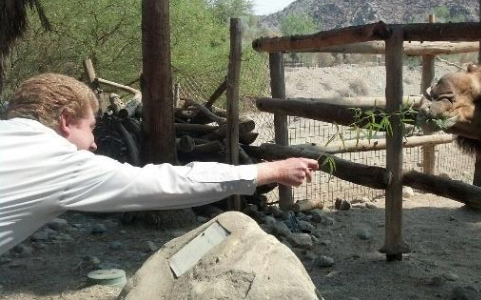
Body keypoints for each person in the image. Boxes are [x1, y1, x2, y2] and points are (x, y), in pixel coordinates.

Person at [0, 73, 319, 256]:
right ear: (66, 120)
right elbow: (166, 184)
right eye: (91, 127)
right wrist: (271, 171)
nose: (95, 143)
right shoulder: (58, 161)